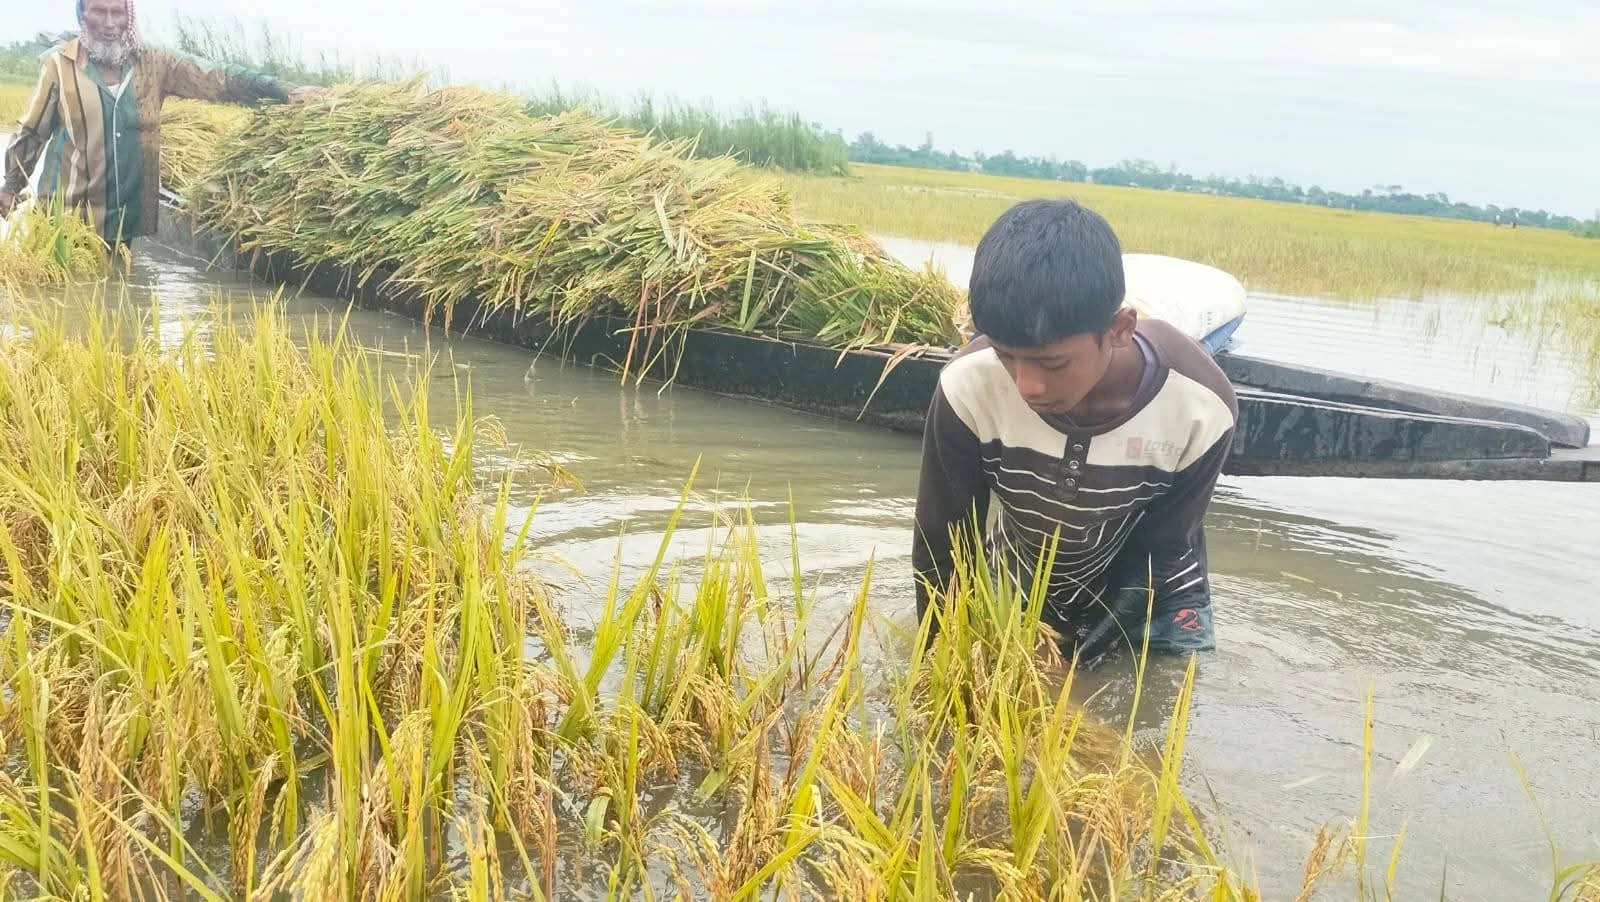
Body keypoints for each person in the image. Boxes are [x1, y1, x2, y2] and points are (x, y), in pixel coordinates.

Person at [911, 198, 1238, 666]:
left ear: (1120, 328)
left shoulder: (1199, 406)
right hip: (1025, 572)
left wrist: (1078, 665)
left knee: (1151, 704)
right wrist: (940, 665)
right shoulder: (968, 385)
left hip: (1151, 583)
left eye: (1052, 363)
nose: (1027, 386)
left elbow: (1160, 549)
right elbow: (943, 540)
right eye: (1006, 355)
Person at [0, 0, 322, 249]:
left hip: (124, 231)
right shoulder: (59, 66)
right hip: (64, 227)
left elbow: (218, 77)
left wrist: (283, 90)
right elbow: (30, 133)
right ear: (82, 14)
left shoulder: (155, 64)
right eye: (99, 12)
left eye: (118, 13)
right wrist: (10, 188)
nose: (109, 24)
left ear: (130, 16)